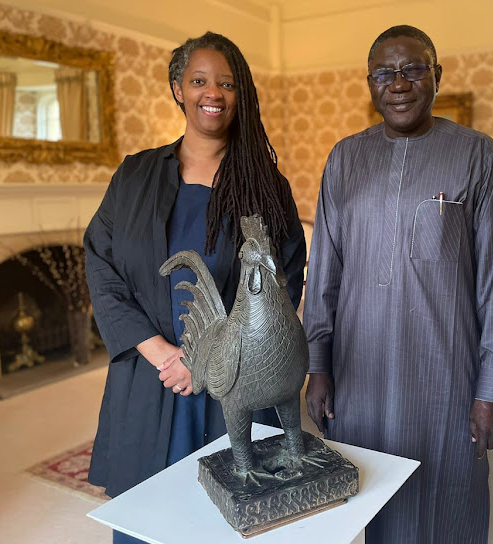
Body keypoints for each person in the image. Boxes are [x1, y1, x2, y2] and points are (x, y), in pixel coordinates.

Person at [84, 32, 306, 543]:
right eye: (200, 80)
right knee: (147, 517)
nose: (215, 93)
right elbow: (101, 263)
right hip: (152, 373)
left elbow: (284, 276)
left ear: (241, 92)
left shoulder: (263, 184)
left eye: (227, 83)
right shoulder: (136, 174)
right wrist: (159, 351)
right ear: (178, 88)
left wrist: (204, 359)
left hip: (234, 380)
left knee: (232, 519)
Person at [303, 25, 493, 543]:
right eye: (384, 73)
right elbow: (325, 271)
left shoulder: (479, 156)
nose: (398, 83)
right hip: (359, 378)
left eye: (413, 69)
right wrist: (318, 366)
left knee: (448, 501)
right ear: (370, 83)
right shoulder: (345, 159)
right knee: (365, 503)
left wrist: (491, 392)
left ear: (436, 76)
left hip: (445, 377)